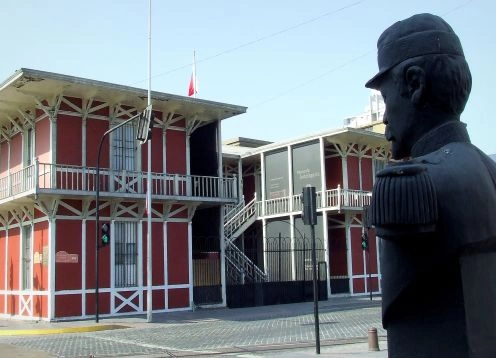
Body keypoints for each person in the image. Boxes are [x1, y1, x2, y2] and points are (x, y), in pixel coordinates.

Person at [366, 13, 496, 358]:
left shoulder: (409, 185)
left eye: (385, 98)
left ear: (414, 83)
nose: (385, 117)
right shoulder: (490, 171)